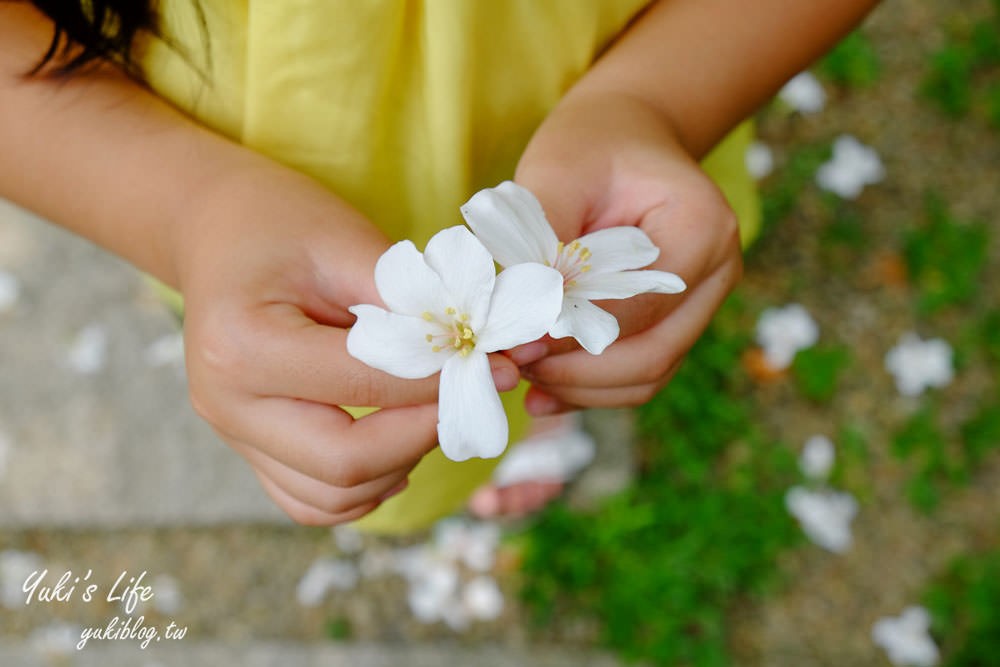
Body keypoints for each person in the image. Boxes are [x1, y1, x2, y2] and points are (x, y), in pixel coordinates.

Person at [0, 0, 880, 534]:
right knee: (360, 380)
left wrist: (653, 100)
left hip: (587, 96)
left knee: (552, 350)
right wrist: (191, 212)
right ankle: (515, 404)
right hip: (237, 146)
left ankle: (537, 399)